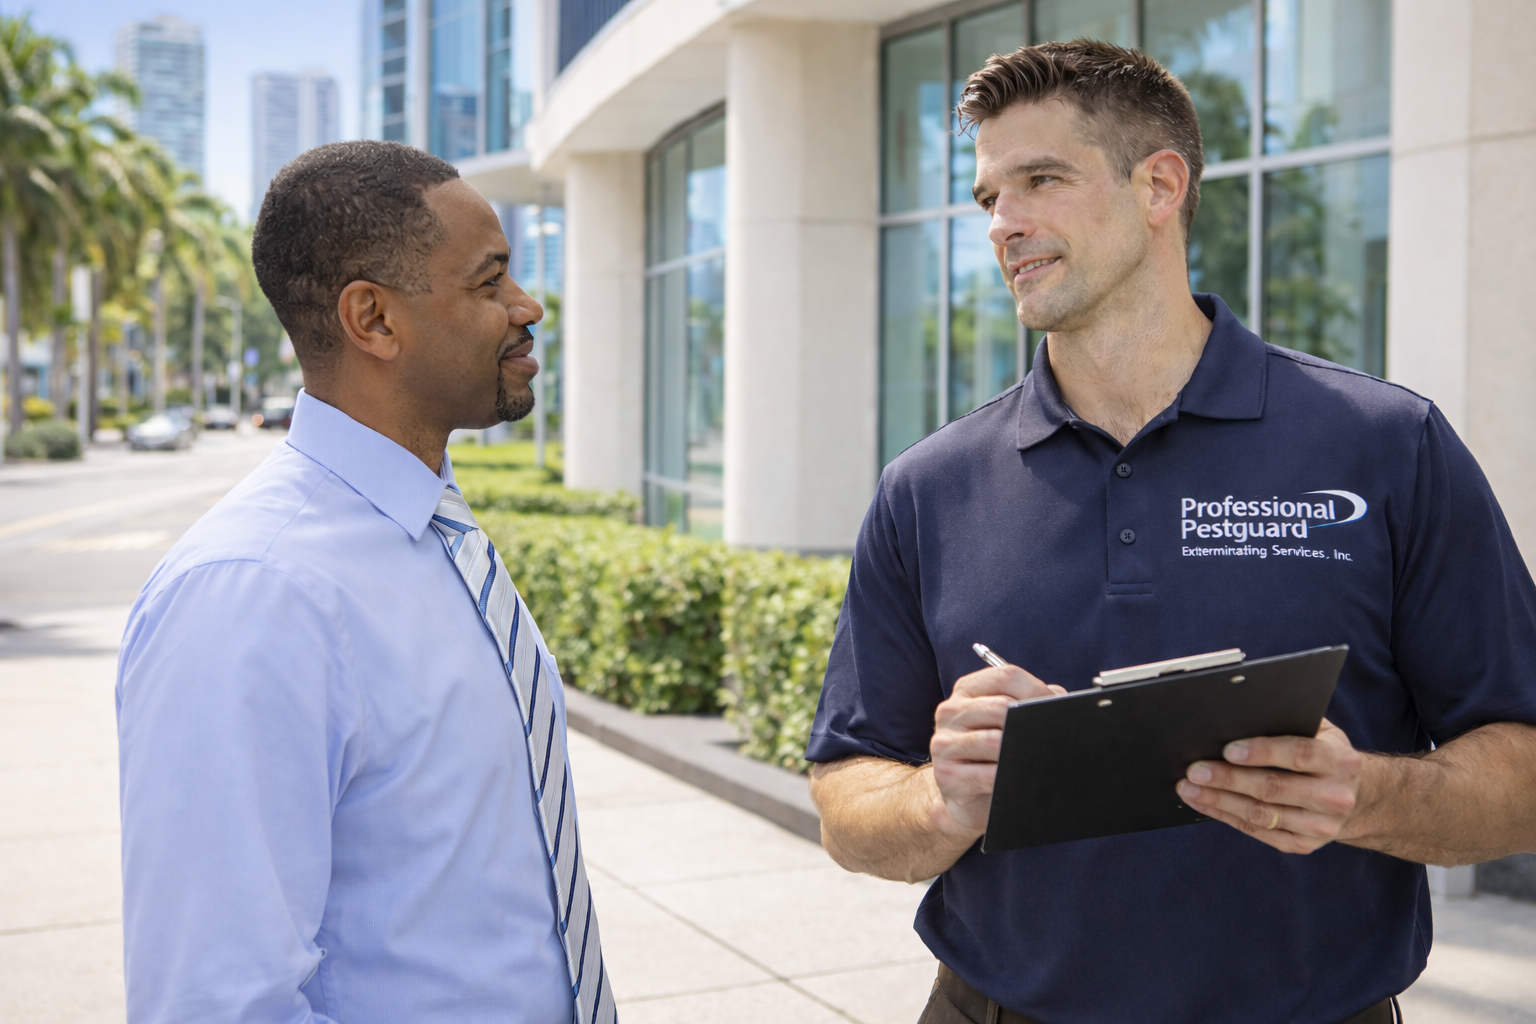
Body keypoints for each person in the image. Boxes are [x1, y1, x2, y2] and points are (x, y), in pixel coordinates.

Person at [806, 40, 1536, 1024]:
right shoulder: (929, 486)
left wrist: (1362, 794)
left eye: (1040, 180)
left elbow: (1521, 766)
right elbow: (848, 798)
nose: (1002, 224)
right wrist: (939, 802)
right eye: (987, 198)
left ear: (1159, 186)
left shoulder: (1386, 445)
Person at [116, 141, 616, 1024]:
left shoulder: (433, 533)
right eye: (490, 280)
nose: (527, 307)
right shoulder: (255, 593)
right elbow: (217, 1000)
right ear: (373, 320)